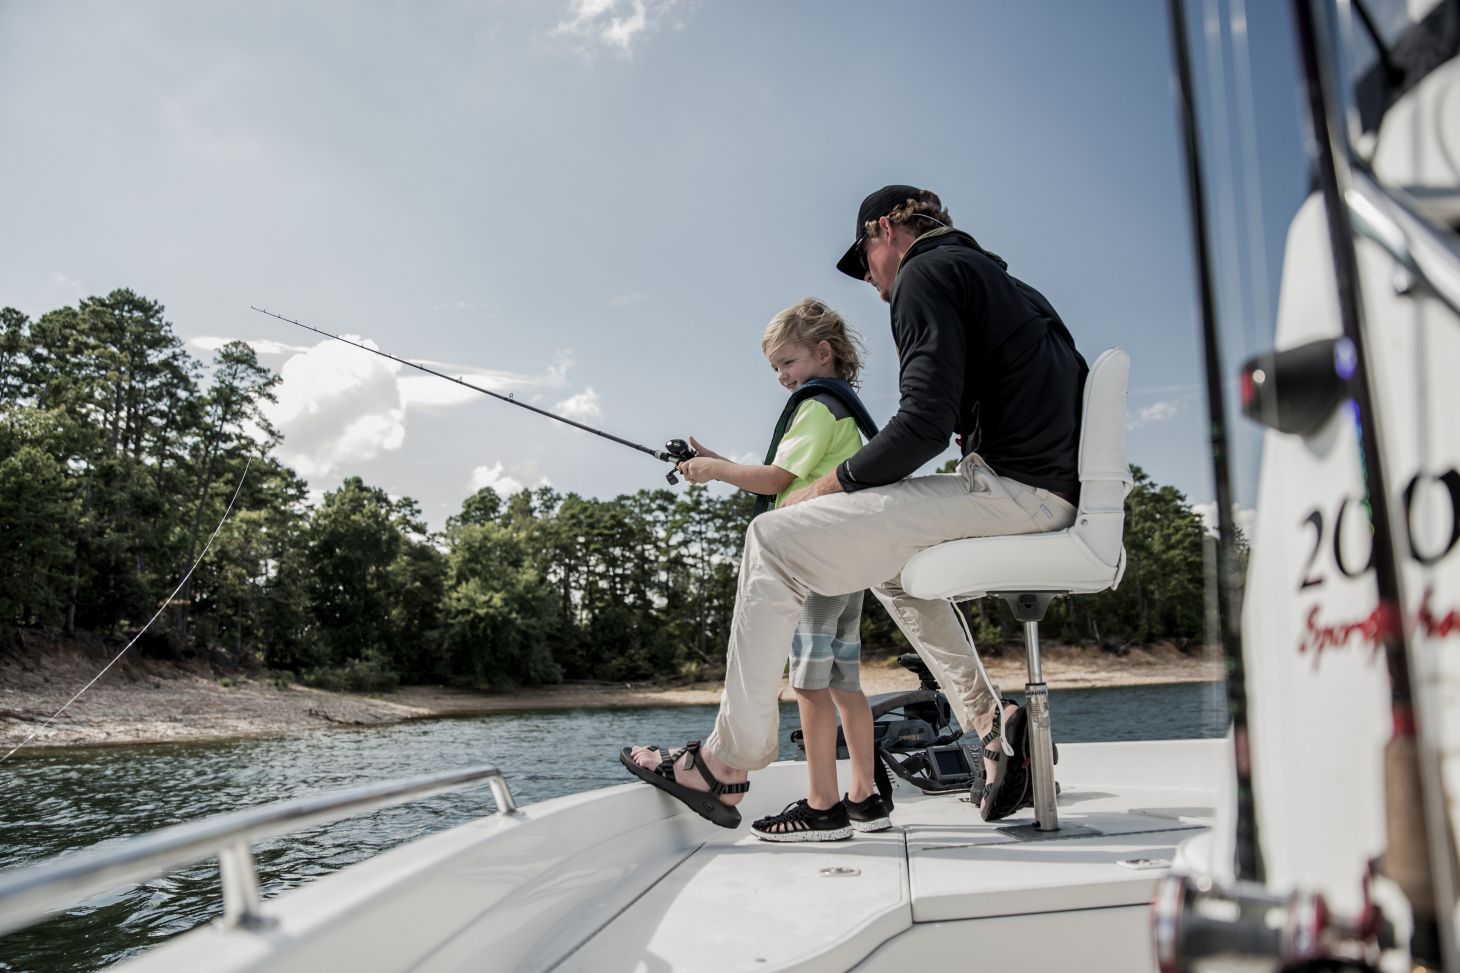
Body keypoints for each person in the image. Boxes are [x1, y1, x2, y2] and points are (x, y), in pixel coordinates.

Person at [622, 185, 1087, 828]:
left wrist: (830, 485)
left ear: (884, 233)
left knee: (772, 536)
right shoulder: (1004, 285)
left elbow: (924, 425)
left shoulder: (925, 274)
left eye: (864, 261)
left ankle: (724, 765)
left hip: (1015, 491)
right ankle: (992, 726)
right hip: (1043, 490)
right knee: (889, 564)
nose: (871, 282)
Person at [669, 298, 890, 841]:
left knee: (811, 687)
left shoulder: (817, 407)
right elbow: (790, 477)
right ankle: (866, 797)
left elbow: (774, 481)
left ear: (822, 352)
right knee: (844, 685)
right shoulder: (845, 409)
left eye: (787, 363)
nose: (782, 377)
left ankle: (823, 807)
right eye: (775, 369)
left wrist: (717, 471)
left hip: (810, 562)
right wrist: (718, 462)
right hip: (846, 561)